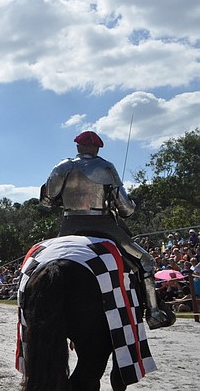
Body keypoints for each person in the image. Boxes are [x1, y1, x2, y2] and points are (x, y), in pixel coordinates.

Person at [40, 130, 175, 330]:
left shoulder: (62, 167)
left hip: (69, 227)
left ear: (78, 147)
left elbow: (46, 200)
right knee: (146, 260)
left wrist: (66, 199)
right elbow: (126, 209)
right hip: (103, 226)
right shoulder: (105, 167)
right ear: (97, 148)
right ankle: (154, 312)